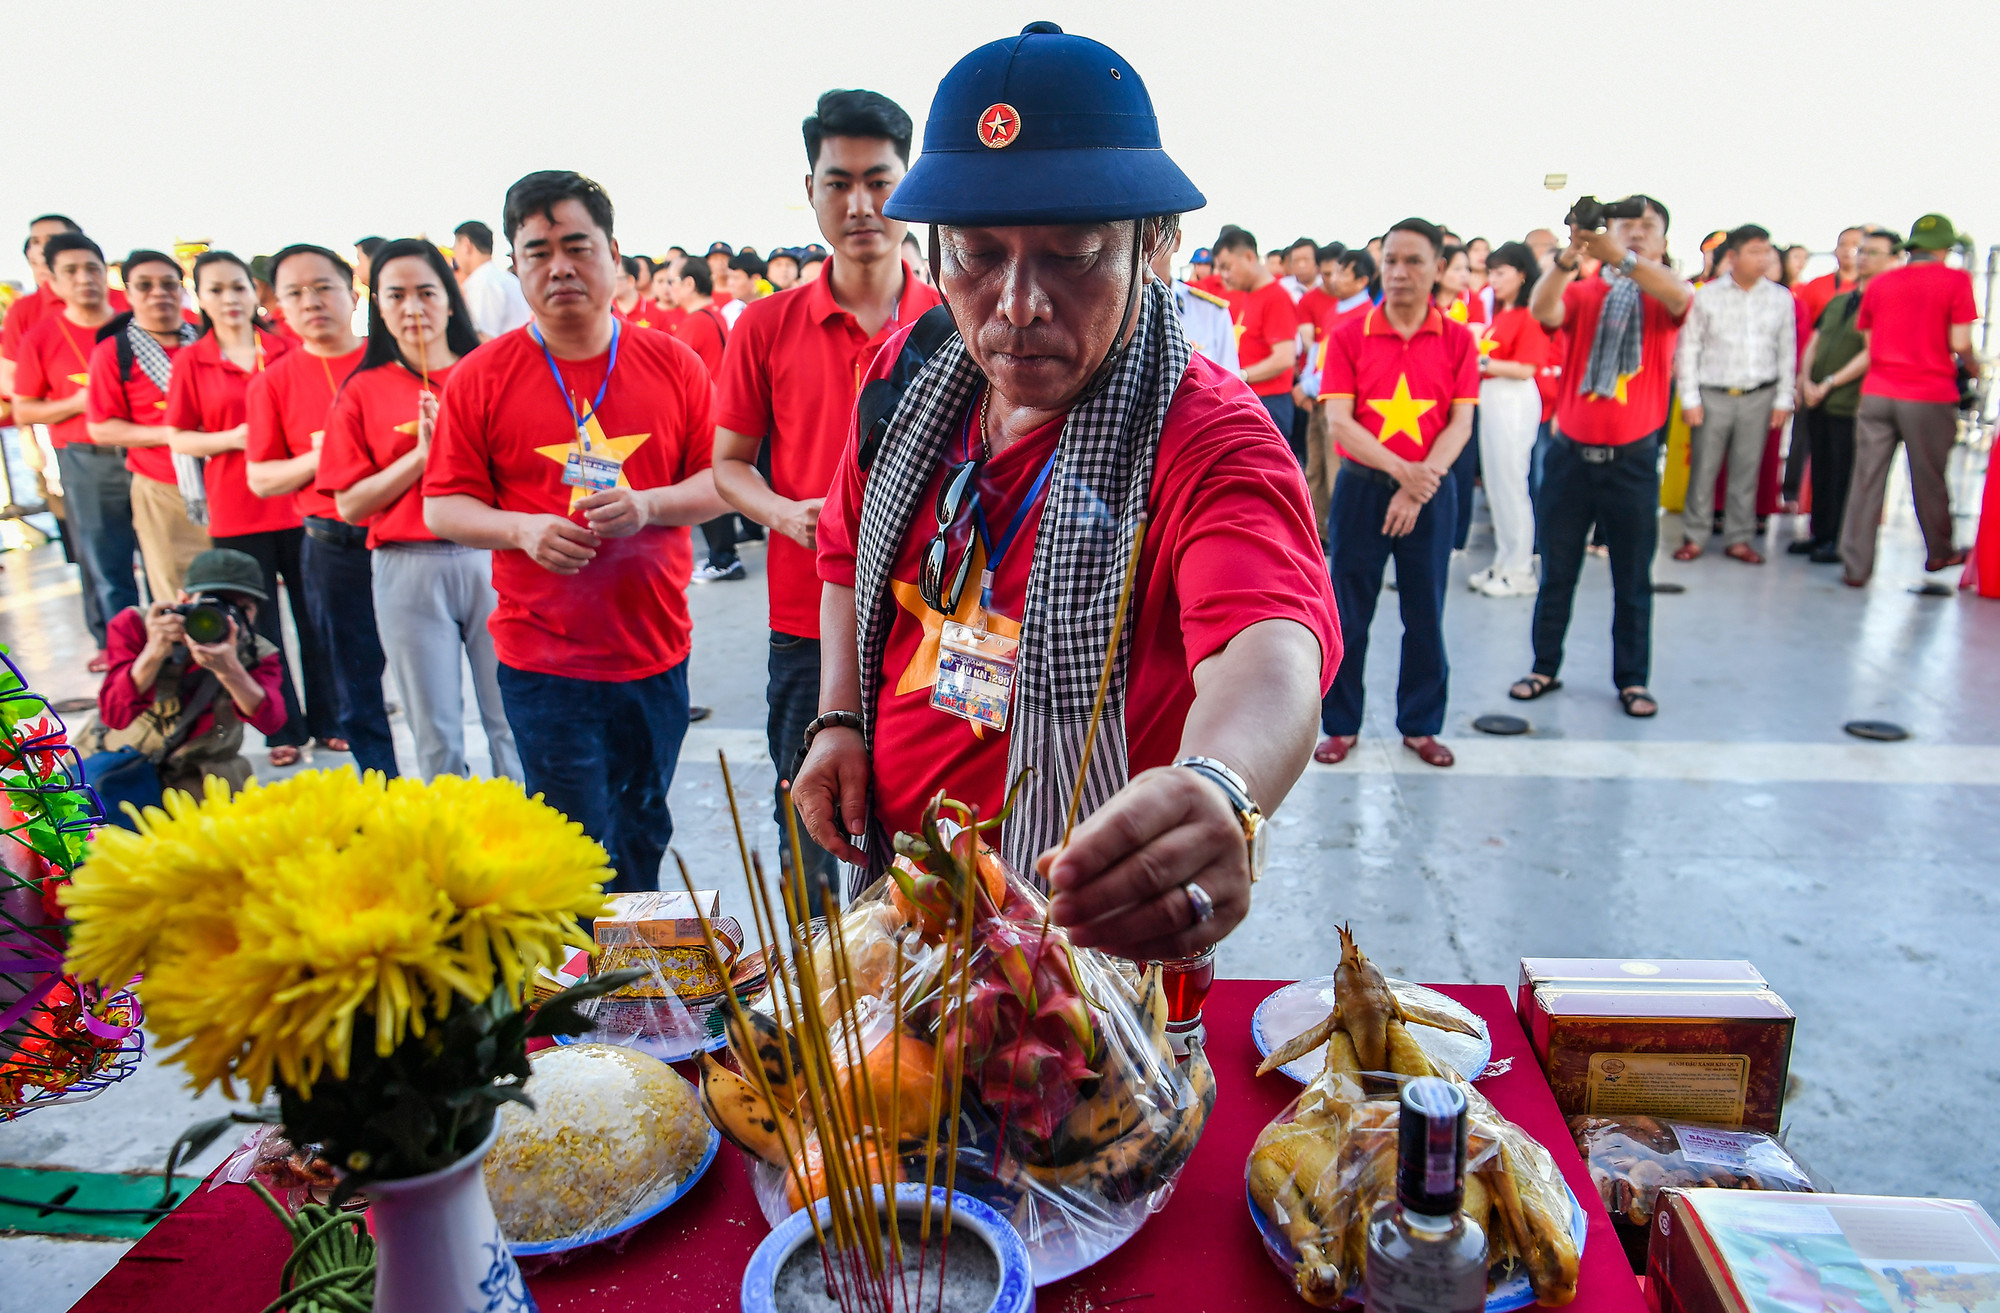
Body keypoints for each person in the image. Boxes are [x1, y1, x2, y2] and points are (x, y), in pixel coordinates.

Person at [797, 22, 1336, 961]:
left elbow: (1269, 646)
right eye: (976, 254)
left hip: (1083, 963)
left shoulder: (1206, 433)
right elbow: (844, 557)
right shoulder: (909, 379)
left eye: (1073, 253)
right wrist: (839, 719)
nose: (1018, 305)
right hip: (900, 912)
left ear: (1152, 244)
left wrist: (1221, 785)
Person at [425, 170, 728, 892]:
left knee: (644, 829)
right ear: (515, 266)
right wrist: (522, 529)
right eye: (538, 252)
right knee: (574, 848)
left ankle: (637, 959)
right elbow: (443, 507)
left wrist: (648, 505)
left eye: (577, 246)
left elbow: (720, 484)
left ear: (613, 254)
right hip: (544, 661)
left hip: (655, 650)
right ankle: (583, 965)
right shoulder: (481, 376)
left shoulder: (674, 363)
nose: (559, 266)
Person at [713, 88, 943, 892]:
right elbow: (728, 464)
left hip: (929, 621)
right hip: (804, 624)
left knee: (931, 848)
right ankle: (818, 972)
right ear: (810, 190)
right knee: (814, 838)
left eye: (879, 181)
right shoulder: (764, 325)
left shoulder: (954, 320)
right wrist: (784, 514)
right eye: (838, 183)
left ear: (911, 186)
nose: (861, 205)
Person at [317, 238, 517, 782]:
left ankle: (526, 830)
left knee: (511, 718)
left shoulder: (490, 373)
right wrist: (419, 458)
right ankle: (445, 831)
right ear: (377, 306)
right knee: (435, 732)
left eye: (427, 292)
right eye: (396, 295)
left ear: (450, 300)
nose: (413, 308)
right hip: (406, 566)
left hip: (492, 558)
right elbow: (350, 504)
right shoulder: (361, 391)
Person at [1514, 196, 1691, 719]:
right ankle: (1544, 666)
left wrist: (1620, 257)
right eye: (1625, 225)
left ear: (1663, 240)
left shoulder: (1662, 294)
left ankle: (1633, 679)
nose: (1635, 233)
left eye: (1647, 226)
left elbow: (1679, 295)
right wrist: (1571, 255)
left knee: (1632, 578)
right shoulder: (1585, 290)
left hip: (1633, 462)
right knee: (1557, 571)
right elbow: (1543, 309)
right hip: (1570, 457)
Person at [1314, 219, 1477, 770]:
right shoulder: (1348, 335)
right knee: (1348, 612)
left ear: (1438, 268)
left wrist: (1418, 484)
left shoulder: (1458, 339)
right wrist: (1404, 473)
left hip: (1431, 492)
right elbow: (1340, 422)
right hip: (1364, 489)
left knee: (1425, 611)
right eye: (1390, 261)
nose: (1399, 272)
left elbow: (1460, 423)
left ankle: (1421, 724)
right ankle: (1340, 723)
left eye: (1413, 261)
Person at [163, 250, 333, 766]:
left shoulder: (287, 348)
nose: (229, 299)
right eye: (215, 290)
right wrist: (232, 438)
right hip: (236, 509)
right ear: (199, 298)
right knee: (258, 630)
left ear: (253, 291)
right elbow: (179, 437)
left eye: (237, 287)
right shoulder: (191, 361)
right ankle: (282, 729)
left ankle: (332, 720)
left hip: (299, 502)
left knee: (317, 617)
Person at [244, 243, 394, 774]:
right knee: (353, 678)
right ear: (278, 305)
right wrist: (322, 457)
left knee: (429, 677)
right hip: (334, 545)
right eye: (295, 292)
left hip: (407, 540)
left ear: (353, 293)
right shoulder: (273, 381)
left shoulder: (391, 360)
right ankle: (382, 786)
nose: (311, 301)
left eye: (323, 287)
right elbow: (261, 477)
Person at [12, 234, 142, 661]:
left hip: (147, 455)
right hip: (86, 458)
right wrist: (80, 401)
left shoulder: (137, 322)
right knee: (105, 561)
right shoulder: (41, 336)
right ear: (52, 281)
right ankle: (124, 654)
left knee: (165, 555)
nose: (84, 279)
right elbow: (25, 408)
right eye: (71, 271)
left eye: (92, 269)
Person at [1840, 213, 1981, 585]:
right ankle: (1939, 552)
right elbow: (1960, 341)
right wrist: (1973, 365)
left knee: (1866, 480)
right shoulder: (1956, 280)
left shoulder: (1881, 283)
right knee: (1928, 477)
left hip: (1877, 391)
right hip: (1928, 394)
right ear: (1944, 248)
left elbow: (1870, 342)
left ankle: (1856, 566)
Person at [89, 547, 290, 801]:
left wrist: (230, 670)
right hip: (128, 766)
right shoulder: (137, 625)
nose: (225, 617)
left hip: (202, 773)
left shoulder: (257, 653)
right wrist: (153, 652)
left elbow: (272, 723)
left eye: (242, 608)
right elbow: (114, 716)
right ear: (184, 600)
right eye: (213, 603)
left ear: (255, 612)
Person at [84, 249, 209, 603]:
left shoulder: (206, 342)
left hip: (222, 479)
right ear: (128, 293)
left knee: (238, 582)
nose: (159, 293)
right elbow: (102, 429)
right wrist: (177, 437)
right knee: (178, 591)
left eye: (169, 284)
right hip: (162, 486)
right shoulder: (113, 353)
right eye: (145, 285)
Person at [1673, 224, 1796, 565]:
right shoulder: (1707, 295)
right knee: (1704, 468)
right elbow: (1689, 348)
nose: (1763, 258)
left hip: (1759, 394)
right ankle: (1694, 536)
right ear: (1733, 256)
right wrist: (1690, 398)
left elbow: (1787, 351)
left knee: (1747, 469)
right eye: (1754, 252)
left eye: (1766, 251)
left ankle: (1739, 538)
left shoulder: (1780, 298)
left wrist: (1783, 398)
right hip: (1713, 394)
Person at [1792, 229, 1899, 564]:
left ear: (1894, 259)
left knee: (1844, 474)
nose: (1862, 257)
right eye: (1861, 251)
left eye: (1872, 252)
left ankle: (1838, 539)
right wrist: (1805, 379)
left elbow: (1871, 352)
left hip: (1851, 402)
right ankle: (1820, 533)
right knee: (1821, 469)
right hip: (1818, 398)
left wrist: (1829, 383)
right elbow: (1816, 340)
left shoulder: (1888, 301)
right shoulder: (1841, 300)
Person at [1470, 241, 1551, 597]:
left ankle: (1520, 570)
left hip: (1513, 399)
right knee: (1497, 484)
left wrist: (1479, 361)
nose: (1493, 279)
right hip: (1493, 397)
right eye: (1490, 272)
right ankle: (1504, 561)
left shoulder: (1529, 314)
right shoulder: (1502, 313)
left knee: (1512, 485)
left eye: (1500, 272)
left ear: (1521, 274)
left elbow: (1526, 368)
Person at [1301, 249, 1376, 533]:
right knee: (1315, 469)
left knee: (1336, 472)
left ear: (1362, 280)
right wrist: (1308, 384)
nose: (1334, 278)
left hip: (1340, 402)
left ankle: (1342, 532)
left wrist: (1306, 386)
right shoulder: (1336, 309)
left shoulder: (1366, 315)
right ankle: (1318, 532)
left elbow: (1347, 367)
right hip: (1318, 399)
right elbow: (1318, 353)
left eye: (1344, 273)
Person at [1213, 226, 1301, 460]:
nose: (1224, 276)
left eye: (1227, 267)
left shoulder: (1276, 297)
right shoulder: (1245, 295)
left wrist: (1239, 376)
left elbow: (1284, 357)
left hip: (1269, 403)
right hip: (1246, 398)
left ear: (1249, 257)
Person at [452, 220, 532, 342]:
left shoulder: (481, 283)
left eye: (455, 248)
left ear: (466, 245)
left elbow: (485, 339)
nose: (454, 256)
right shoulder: (509, 279)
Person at [1798, 227, 1863, 324]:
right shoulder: (1816, 286)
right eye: (1842, 244)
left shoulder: (1873, 287)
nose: (1848, 249)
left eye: (1855, 244)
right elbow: (1800, 324)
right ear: (1836, 250)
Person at [722, 253, 765, 326]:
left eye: (736, 278)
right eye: (729, 278)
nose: (730, 283)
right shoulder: (728, 311)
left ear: (755, 279)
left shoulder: (772, 308)